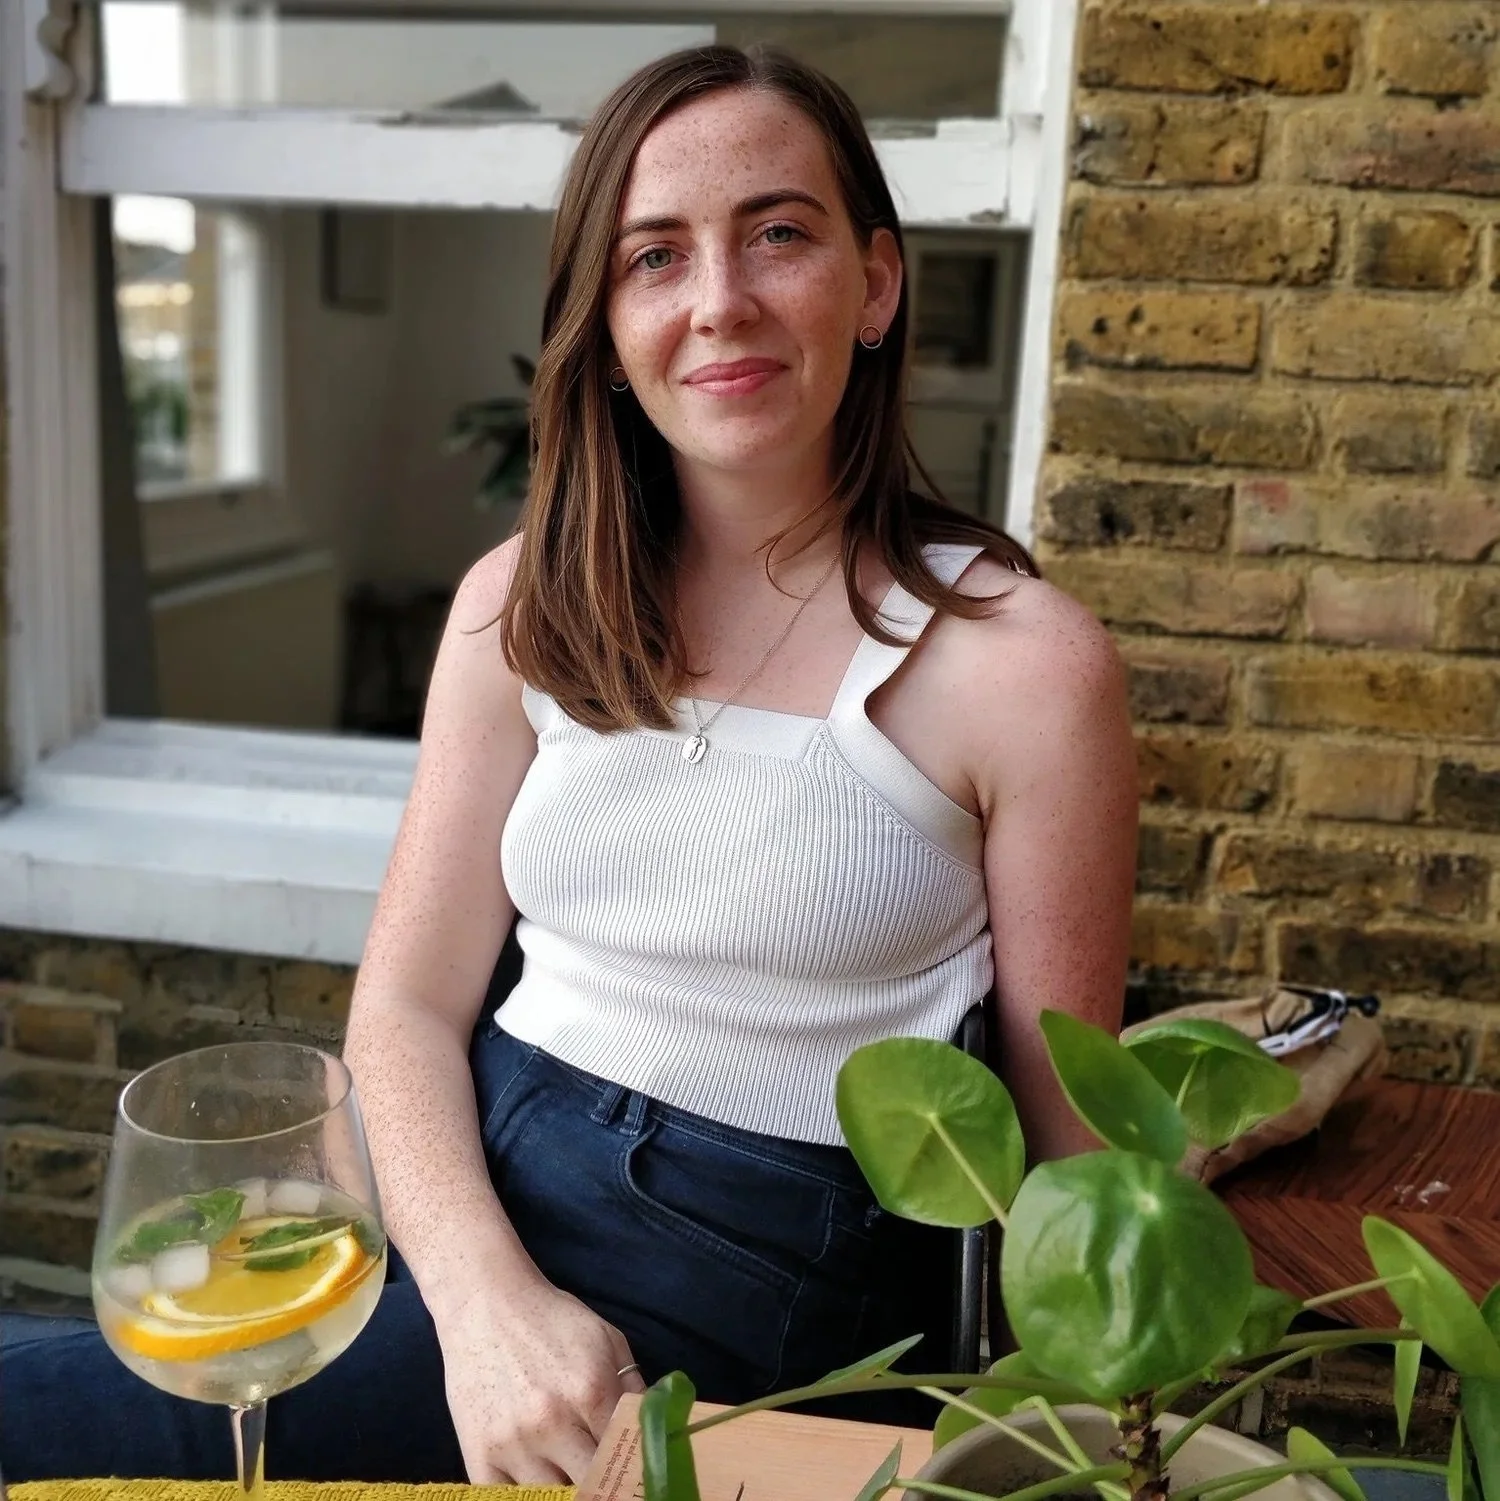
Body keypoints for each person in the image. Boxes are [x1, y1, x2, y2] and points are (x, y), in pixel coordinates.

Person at [0, 43, 1136, 1488]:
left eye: (777, 233)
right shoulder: (522, 607)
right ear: (605, 321)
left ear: (879, 281)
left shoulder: (1023, 667)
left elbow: (1075, 1161)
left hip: (743, 1281)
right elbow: (408, 1002)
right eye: (654, 257)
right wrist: (481, 1306)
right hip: (457, 1184)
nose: (718, 301)